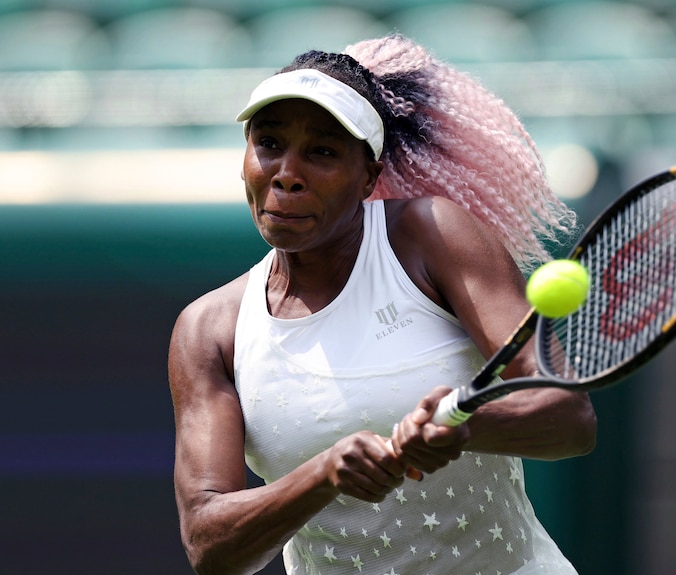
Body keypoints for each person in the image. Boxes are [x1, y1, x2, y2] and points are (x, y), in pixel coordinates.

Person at [168, 33, 597, 575]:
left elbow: (570, 418)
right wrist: (321, 474)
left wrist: (464, 429)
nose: (287, 174)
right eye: (269, 143)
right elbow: (210, 545)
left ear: (368, 176)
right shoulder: (208, 329)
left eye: (322, 151)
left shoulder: (433, 234)